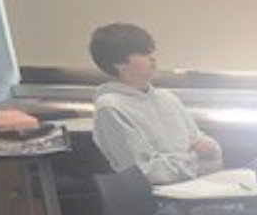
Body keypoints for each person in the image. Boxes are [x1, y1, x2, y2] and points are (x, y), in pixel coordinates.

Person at [89, 22, 222, 185]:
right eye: (143, 53)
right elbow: (145, 171)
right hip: (163, 201)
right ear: (118, 63)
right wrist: (197, 160)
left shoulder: (167, 98)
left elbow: (204, 145)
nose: (152, 58)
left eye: (151, 52)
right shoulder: (111, 108)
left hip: (199, 186)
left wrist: (208, 151)